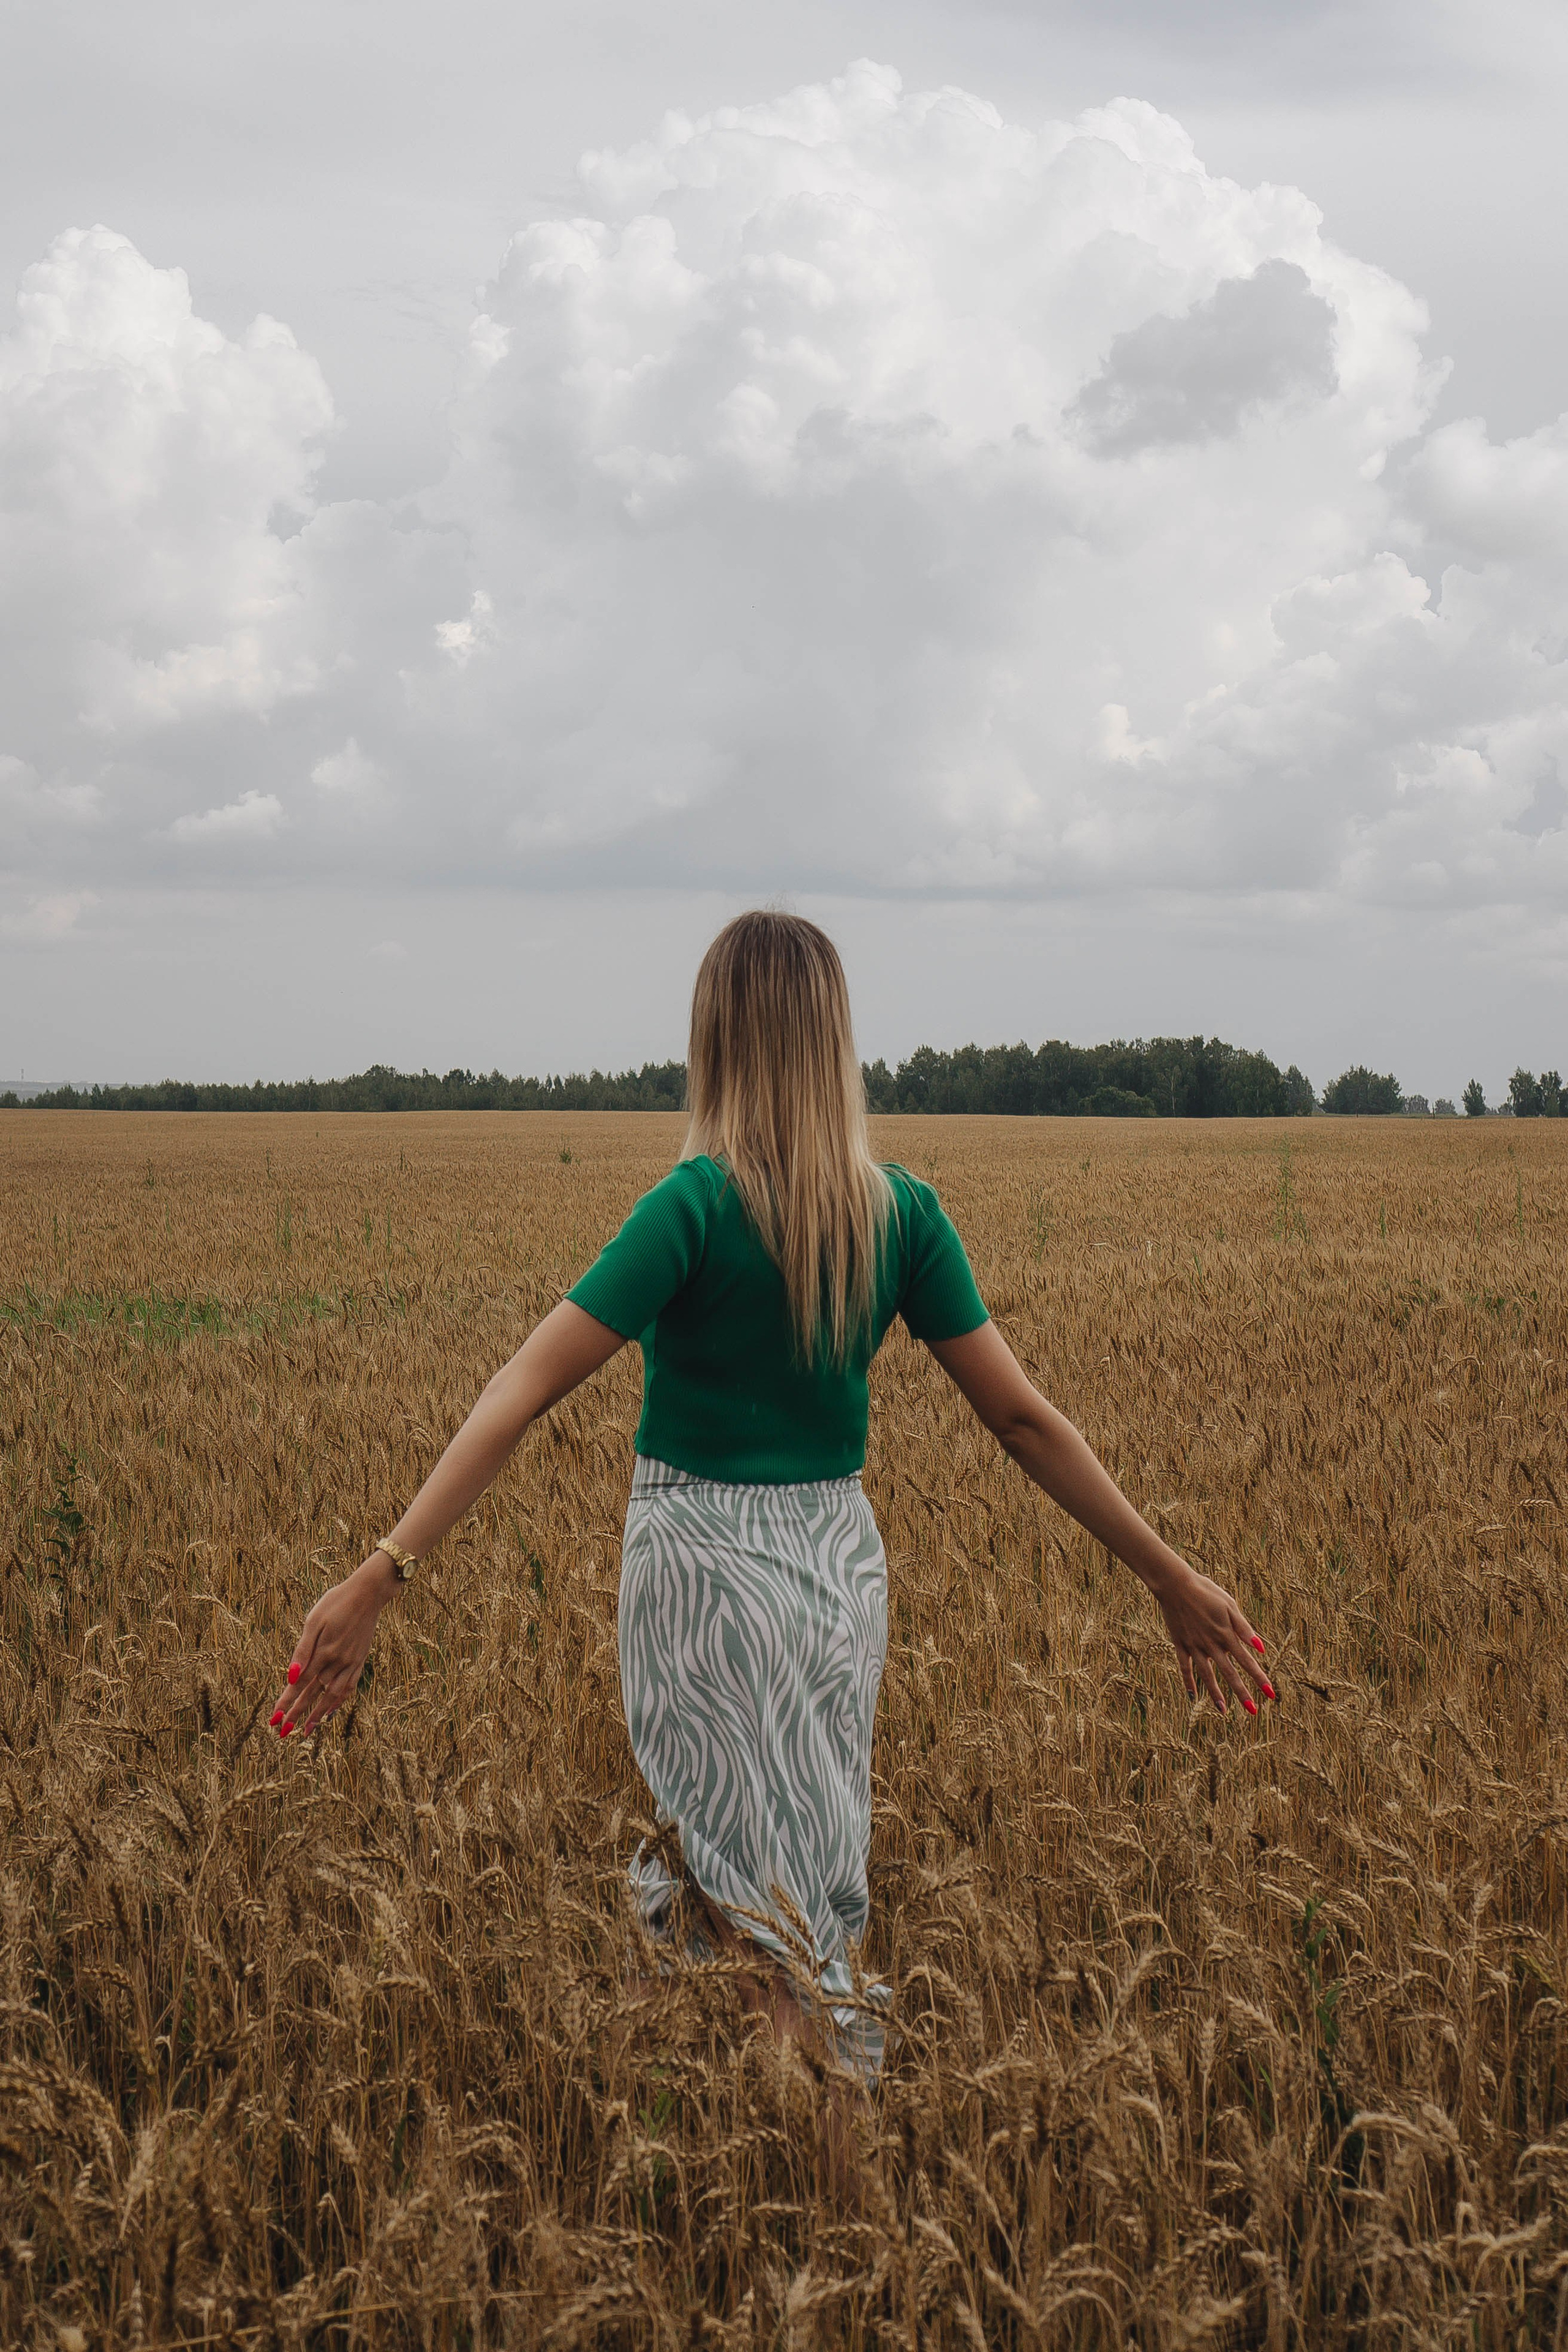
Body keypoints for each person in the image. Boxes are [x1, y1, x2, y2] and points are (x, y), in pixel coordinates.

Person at [273, 911, 1273, 2076]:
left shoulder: (693, 1205)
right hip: (837, 1576)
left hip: (699, 1569)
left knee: (732, 1903)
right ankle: (769, 2136)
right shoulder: (901, 1216)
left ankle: (806, 2143)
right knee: (799, 1886)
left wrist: (385, 1568)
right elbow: (1024, 1421)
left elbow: (521, 1392)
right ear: (833, 1042)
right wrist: (1170, 1578)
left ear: (718, 1040)